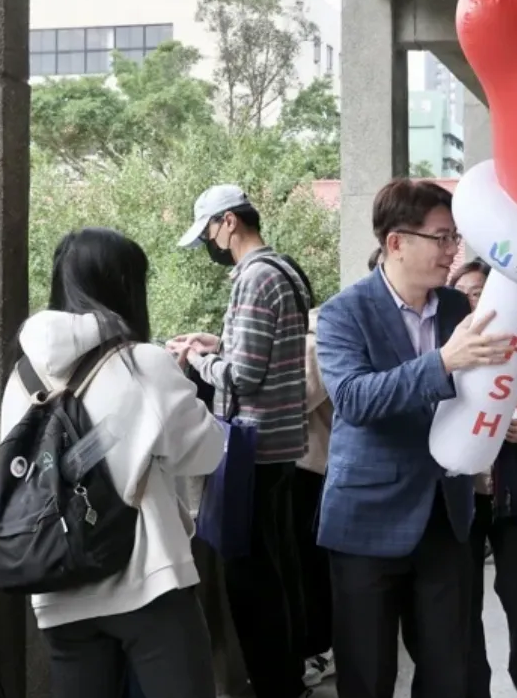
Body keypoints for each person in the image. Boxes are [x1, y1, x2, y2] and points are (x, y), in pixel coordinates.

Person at [1, 228, 225, 698]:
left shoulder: (21, 376)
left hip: (58, 580)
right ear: (127, 288)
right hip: (148, 583)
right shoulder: (142, 363)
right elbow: (206, 451)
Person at [315, 179, 514, 698]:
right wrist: (444, 361)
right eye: (441, 238)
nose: (453, 252)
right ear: (396, 242)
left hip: (445, 515)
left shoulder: (456, 309)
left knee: (449, 670)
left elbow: (474, 388)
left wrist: (502, 403)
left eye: (455, 239)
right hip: (367, 519)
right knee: (367, 673)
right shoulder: (342, 313)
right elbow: (355, 399)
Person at [171, 184, 313, 698]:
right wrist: (218, 342)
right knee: (281, 568)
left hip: (254, 448)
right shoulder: (284, 269)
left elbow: (245, 376)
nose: (210, 242)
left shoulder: (253, 278)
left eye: (209, 230)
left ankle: (273, 682)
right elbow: (268, 350)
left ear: (229, 222)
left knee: (250, 579)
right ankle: (290, 675)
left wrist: (197, 359)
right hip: (282, 444)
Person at [449, 261, 517, 698]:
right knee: (464, 605)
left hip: (513, 499)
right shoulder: (446, 353)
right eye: (468, 294)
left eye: (482, 291)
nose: (477, 300)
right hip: (460, 503)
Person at [297, 305, 336, 689]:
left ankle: (322, 646)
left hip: (311, 465)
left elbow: (299, 396)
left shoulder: (315, 338)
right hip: (311, 464)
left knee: (312, 563)